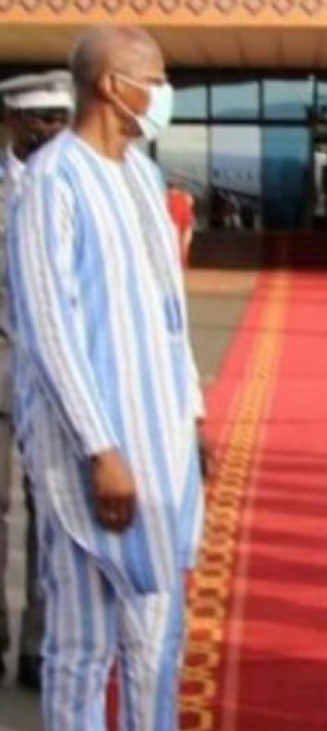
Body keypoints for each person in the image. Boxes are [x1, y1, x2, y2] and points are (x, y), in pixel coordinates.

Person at [6, 24, 228, 731]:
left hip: (161, 445)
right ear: (110, 84)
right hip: (93, 456)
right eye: (155, 77)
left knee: (157, 637)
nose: (163, 90)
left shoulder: (138, 173)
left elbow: (168, 319)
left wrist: (193, 420)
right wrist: (103, 448)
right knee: (83, 641)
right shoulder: (50, 184)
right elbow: (48, 329)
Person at [0, 69, 69, 695]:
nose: (51, 130)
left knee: (47, 511)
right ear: (12, 121)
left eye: (59, 118)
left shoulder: (73, 187)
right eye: (40, 119)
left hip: (48, 378)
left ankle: (38, 646)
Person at [165, 178, 194, 267]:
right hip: (184, 223)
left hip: (174, 223)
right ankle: (183, 264)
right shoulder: (186, 197)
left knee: (174, 245)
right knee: (183, 244)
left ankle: (179, 264)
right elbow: (190, 205)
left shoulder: (165, 197)